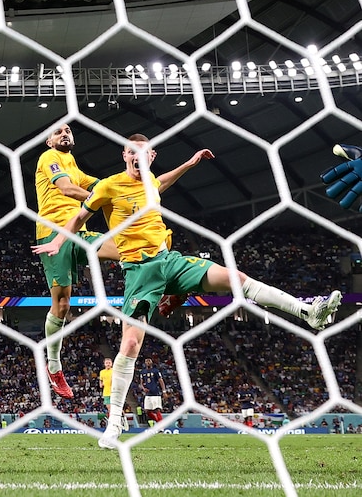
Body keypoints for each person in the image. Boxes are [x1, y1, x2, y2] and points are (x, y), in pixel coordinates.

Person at [33, 134, 342, 449]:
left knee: (237, 277)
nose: (138, 157)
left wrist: (191, 163)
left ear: (151, 156)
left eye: (145, 153)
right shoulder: (108, 186)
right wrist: (57, 241)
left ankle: (308, 313)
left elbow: (160, 183)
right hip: (140, 274)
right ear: (125, 154)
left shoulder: (151, 182)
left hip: (170, 262)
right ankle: (114, 424)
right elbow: (80, 216)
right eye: (133, 152)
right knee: (129, 343)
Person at [36, 124, 212, 397]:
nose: (64, 134)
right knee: (61, 304)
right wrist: (111, 199)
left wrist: (185, 165)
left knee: (140, 249)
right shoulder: (49, 159)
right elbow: (69, 190)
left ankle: (173, 290)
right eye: (58, 132)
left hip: (80, 233)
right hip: (54, 233)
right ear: (49, 141)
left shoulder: (72, 163)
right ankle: (54, 365)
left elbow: (134, 184)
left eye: (68, 130)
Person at [139, 357, 166, 426]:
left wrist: (164, 391)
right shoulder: (143, 372)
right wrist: (143, 388)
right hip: (148, 394)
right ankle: (158, 422)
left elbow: (161, 381)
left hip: (155, 393)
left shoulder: (155, 371)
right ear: (145, 363)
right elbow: (141, 383)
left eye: (149, 361)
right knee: (147, 411)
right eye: (146, 361)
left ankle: (161, 426)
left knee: (157, 410)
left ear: (151, 362)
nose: (148, 362)